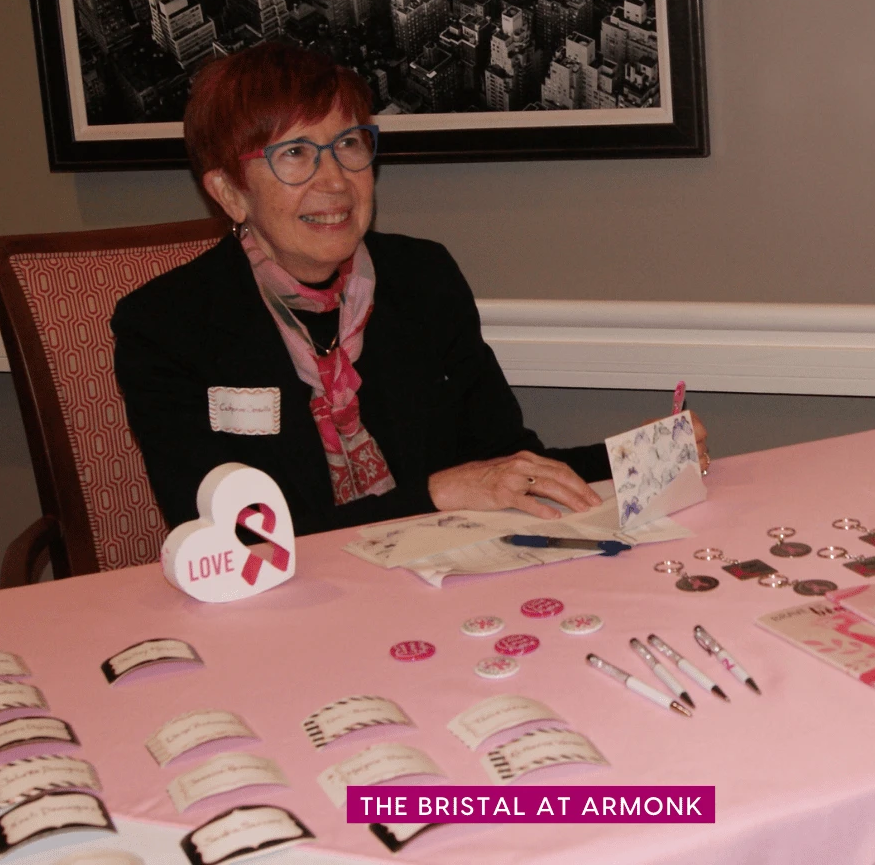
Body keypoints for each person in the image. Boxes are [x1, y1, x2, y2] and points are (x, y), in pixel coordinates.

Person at [113, 43, 708, 535]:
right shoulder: (168, 326)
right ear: (230, 192)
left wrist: (645, 455)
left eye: (348, 144)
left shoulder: (423, 278)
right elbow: (235, 534)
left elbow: (510, 459)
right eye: (295, 153)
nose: (335, 180)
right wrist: (433, 495)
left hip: (440, 592)